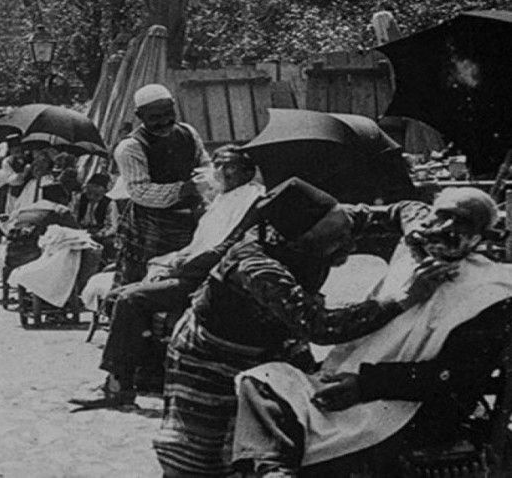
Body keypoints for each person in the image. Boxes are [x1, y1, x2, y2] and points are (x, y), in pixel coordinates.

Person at [152, 178, 459, 477]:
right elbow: (319, 326)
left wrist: (418, 230)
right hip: (214, 351)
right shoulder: (255, 265)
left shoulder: (336, 220)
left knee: (288, 431)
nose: (350, 245)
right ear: (295, 244)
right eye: (336, 243)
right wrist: (399, 301)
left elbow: (404, 208)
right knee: (199, 455)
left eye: (347, 233)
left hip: (278, 343)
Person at [232, 188, 512, 478]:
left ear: (480, 236)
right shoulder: (410, 258)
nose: (447, 227)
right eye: (442, 215)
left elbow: (460, 375)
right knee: (262, 380)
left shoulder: (490, 290)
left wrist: (364, 385)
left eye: (463, 222)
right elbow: (324, 327)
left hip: (407, 405)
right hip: (356, 377)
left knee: (289, 428)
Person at [70, 146, 265, 409]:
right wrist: (170, 260)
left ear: (247, 172)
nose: (220, 172)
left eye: (229, 166)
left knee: (130, 299)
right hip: (194, 270)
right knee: (117, 295)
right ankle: (146, 376)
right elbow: (198, 244)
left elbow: (225, 248)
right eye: (217, 165)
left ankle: (118, 388)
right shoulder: (222, 199)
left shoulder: (252, 201)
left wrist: (180, 268)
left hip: (211, 280)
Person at [112, 83, 210, 287]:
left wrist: (207, 179)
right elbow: (140, 191)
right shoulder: (130, 147)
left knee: (189, 276)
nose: (164, 121)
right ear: (139, 115)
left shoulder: (188, 133)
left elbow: (204, 164)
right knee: (144, 284)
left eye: (168, 113)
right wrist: (184, 189)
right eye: (155, 117)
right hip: (152, 225)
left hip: (190, 221)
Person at [70, 173, 119, 261]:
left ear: (104, 192)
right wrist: (77, 229)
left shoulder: (110, 204)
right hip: (80, 229)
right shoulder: (79, 198)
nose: (92, 197)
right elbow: (72, 215)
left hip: (99, 232)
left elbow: (112, 226)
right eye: (89, 193)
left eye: (96, 195)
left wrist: (100, 234)